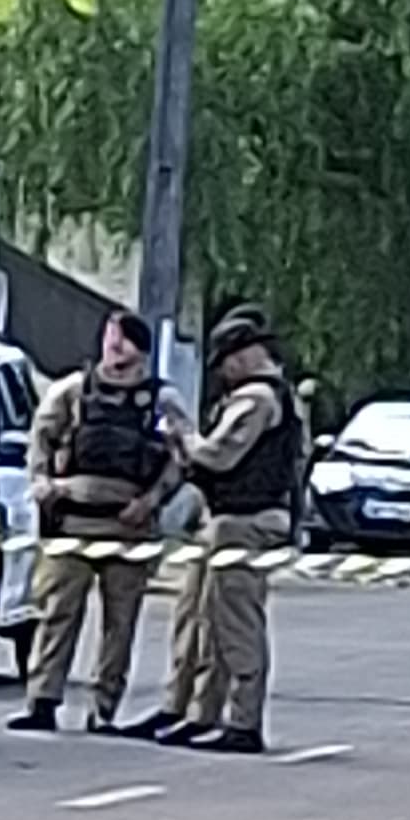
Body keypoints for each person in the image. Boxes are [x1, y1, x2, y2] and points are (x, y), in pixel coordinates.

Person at [4, 308, 186, 734]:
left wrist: (153, 500)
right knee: (56, 614)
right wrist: (42, 483)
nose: (112, 347)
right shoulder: (72, 390)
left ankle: (104, 707)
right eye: (109, 337)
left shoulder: (160, 400)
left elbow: (179, 457)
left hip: (129, 526)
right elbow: (41, 439)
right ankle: (42, 701)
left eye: (121, 339)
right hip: (71, 522)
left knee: (119, 625)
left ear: (140, 350)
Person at [150, 308, 303, 752]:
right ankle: (204, 714)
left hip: (245, 521)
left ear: (248, 354)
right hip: (234, 518)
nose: (225, 371)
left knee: (236, 623)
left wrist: (184, 431)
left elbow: (219, 456)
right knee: (207, 619)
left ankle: (243, 722)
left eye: (229, 359)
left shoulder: (257, 398)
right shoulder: (275, 397)